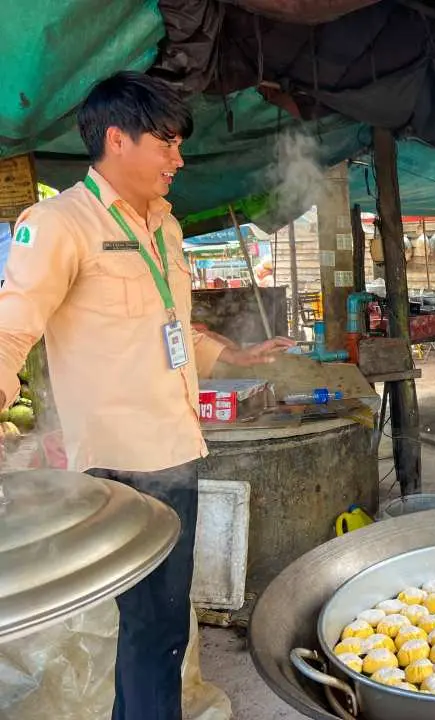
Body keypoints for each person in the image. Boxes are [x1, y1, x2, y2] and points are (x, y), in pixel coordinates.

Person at [0, 72, 294, 719]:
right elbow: (12, 323)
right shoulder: (58, 224)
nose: (178, 159)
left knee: (160, 629)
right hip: (118, 464)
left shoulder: (161, 226)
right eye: (166, 142)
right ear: (117, 139)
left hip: (173, 451)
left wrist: (233, 354)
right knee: (148, 628)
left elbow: (167, 323)